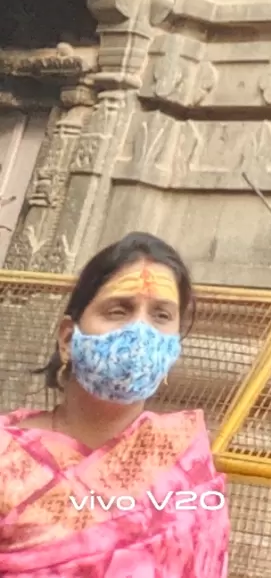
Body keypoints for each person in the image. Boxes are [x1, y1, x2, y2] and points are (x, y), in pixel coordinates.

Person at [0, 231, 229, 575]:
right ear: (67, 338)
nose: (140, 333)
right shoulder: (8, 456)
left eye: (161, 316)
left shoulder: (180, 457)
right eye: (119, 310)